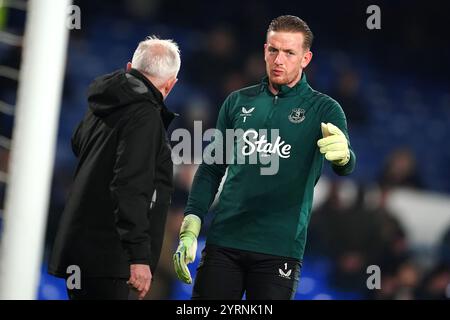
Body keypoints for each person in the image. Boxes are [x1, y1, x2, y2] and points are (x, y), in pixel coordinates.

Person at [173, 15, 356, 299]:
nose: (279, 59)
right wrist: (192, 223)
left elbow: (345, 167)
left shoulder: (324, 109)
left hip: (279, 249)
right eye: (273, 50)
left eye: (289, 52)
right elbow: (211, 169)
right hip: (224, 242)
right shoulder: (237, 102)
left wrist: (344, 158)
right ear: (264, 51)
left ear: (305, 58)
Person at [49, 36, 180, 300]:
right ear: (170, 84)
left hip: (80, 250)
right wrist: (139, 256)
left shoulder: (104, 103)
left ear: (130, 67)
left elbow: (78, 144)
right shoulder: (145, 116)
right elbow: (130, 186)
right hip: (109, 254)